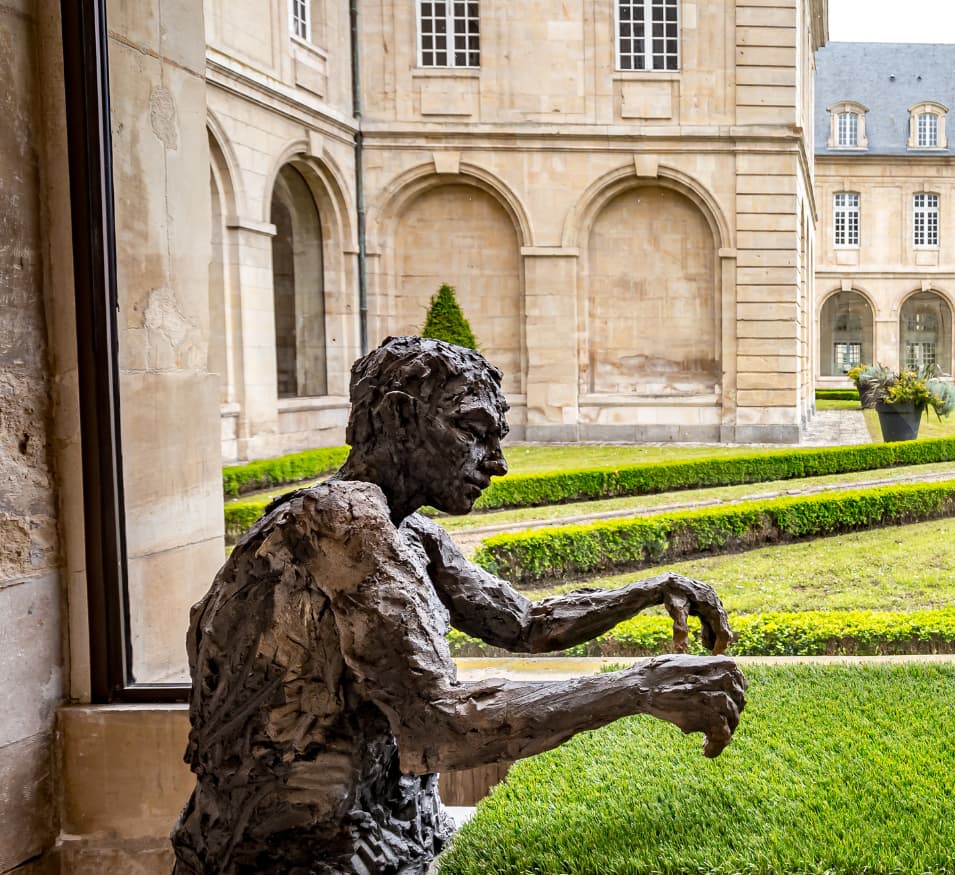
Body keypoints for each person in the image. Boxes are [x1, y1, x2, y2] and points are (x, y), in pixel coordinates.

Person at [172, 337, 747, 874]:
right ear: (397, 418)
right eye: (472, 431)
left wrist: (644, 591)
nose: (496, 463)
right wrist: (640, 688)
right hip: (294, 858)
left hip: (382, 839)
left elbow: (527, 624)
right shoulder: (341, 522)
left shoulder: (410, 532)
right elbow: (443, 723)